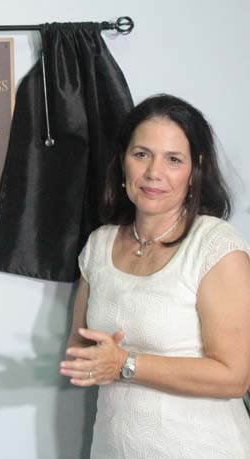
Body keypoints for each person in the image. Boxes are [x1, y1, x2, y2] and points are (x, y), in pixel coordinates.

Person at [60, 94, 250, 458]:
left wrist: (125, 363)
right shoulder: (99, 245)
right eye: (141, 154)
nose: (153, 173)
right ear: (123, 162)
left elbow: (234, 376)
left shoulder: (215, 245)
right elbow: (79, 348)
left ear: (195, 170)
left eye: (173, 159)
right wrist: (92, 359)